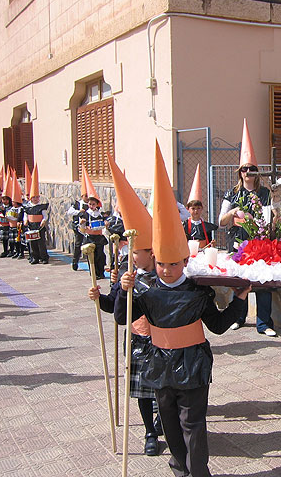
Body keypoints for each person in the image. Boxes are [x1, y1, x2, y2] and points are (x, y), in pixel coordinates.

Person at [116, 142, 250, 477]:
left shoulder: (196, 290)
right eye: (161, 263)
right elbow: (122, 317)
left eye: (173, 263)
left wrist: (240, 301)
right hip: (160, 365)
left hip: (192, 366)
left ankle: (198, 472)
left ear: (184, 261)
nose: (165, 269)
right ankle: (180, 468)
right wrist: (123, 291)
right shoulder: (145, 290)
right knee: (171, 425)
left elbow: (218, 325)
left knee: (194, 423)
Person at [89, 247, 162, 455]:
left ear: (152, 253)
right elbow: (113, 306)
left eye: (137, 251)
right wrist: (99, 297)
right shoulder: (126, 273)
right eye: (131, 251)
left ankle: (162, 420)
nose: (132, 256)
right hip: (138, 339)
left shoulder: (164, 273)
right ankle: (150, 433)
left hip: (163, 338)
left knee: (163, 387)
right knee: (142, 390)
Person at [218, 119, 276, 336]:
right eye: (245, 169)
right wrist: (233, 212)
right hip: (238, 243)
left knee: (263, 284)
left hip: (259, 243)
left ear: (257, 172)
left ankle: (264, 323)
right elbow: (221, 221)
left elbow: (272, 218)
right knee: (239, 283)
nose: (248, 172)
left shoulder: (265, 193)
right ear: (240, 172)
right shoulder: (231, 194)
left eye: (252, 169)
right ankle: (238, 318)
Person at [24, 165, 50, 264]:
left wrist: (44, 220)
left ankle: (44, 257)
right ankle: (34, 257)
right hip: (31, 225)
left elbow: (45, 215)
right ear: (30, 198)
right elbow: (26, 215)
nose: (36, 199)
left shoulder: (41, 207)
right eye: (34, 197)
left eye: (37, 197)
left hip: (39, 226)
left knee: (41, 242)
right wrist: (25, 220)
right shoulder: (27, 207)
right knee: (32, 242)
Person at [80, 196, 108, 279]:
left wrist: (106, 223)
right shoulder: (86, 214)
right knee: (92, 256)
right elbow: (82, 227)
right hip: (90, 237)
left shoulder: (100, 214)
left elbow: (105, 222)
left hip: (99, 237)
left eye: (93, 204)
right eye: (90, 204)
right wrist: (82, 223)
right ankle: (94, 273)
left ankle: (101, 272)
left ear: (96, 205)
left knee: (100, 255)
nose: (91, 206)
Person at [67, 193, 89, 270]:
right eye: (86, 196)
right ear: (82, 196)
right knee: (78, 244)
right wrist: (79, 212)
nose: (87, 198)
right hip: (78, 227)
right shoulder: (77, 204)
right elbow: (69, 212)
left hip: (88, 228)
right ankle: (75, 262)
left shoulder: (92, 204)